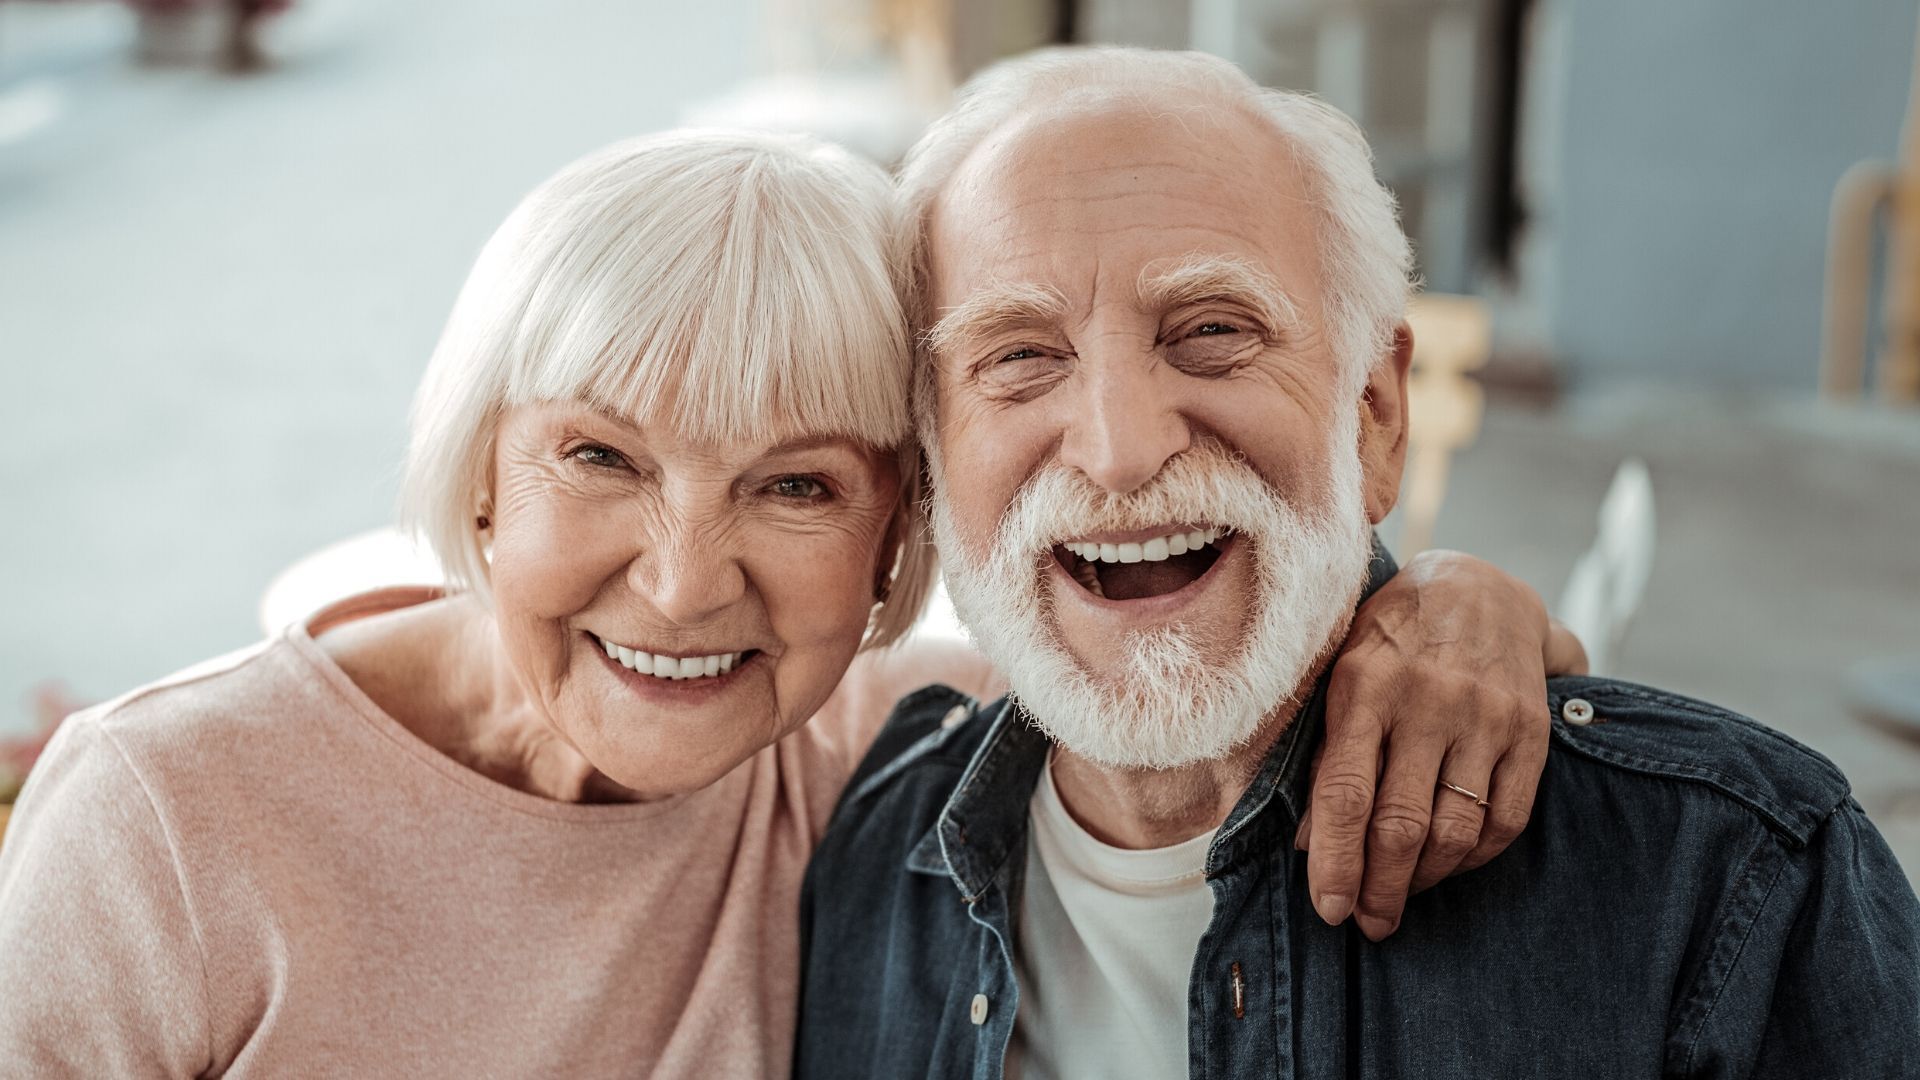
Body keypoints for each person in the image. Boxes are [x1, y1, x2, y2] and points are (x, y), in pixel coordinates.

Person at [0, 128, 1577, 1077]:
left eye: (797, 486)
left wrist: (1450, 603)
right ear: (478, 472)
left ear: (901, 533)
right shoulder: (165, 818)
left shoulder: (893, 758)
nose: (685, 585)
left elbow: (1198, 662)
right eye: (599, 458)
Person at [794, 47, 1920, 1080]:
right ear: (934, 463)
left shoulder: (1728, 878)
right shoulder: (861, 848)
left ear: (1376, 416)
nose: (1120, 449)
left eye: (1213, 331)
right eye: (1023, 356)